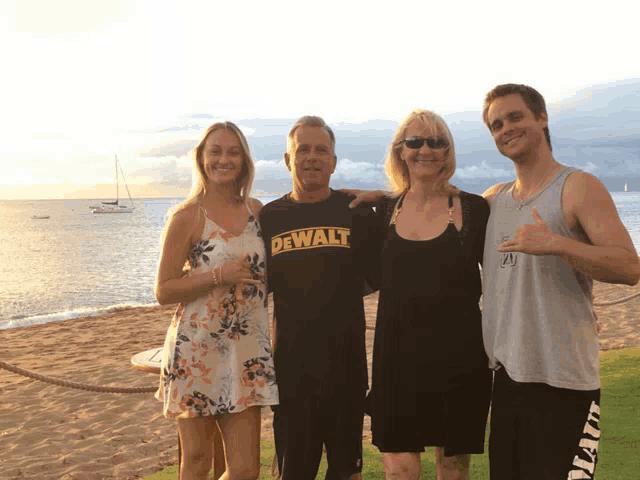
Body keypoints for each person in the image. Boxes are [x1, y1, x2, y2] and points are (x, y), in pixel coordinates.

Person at [481, 83, 640, 480]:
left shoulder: (577, 186)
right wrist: (377, 197)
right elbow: (432, 205)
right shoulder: (493, 200)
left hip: (565, 381)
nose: (506, 129)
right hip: (507, 380)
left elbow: (628, 267)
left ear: (542, 117)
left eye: (515, 117)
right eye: (496, 124)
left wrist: (556, 244)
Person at [363, 109, 492, 480]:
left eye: (437, 142)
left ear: (448, 152)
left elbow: (504, 278)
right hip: (396, 358)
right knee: (399, 470)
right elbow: (364, 276)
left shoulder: (474, 209)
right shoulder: (384, 209)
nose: (426, 150)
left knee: (452, 469)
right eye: (415, 141)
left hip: (460, 357)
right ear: (400, 151)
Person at [154, 121, 278, 480]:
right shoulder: (187, 216)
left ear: (244, 161)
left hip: (246, 352)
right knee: (195, 462)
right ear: (201, 159)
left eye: (233, 152)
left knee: (244, 470)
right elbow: (163, 290)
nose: (224, 159)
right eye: (216, 151)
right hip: (196, 351)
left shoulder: (257, 212)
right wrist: (218, 277)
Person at [259, 116, 379, 480]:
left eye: (321, 150)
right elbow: (259, 285)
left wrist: (385, 195)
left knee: (346, 472)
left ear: (334, 162)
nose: (312, 157)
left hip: (346, 369)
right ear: (287, 159)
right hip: (292, 373)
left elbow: (380, 274)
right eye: (303, 149)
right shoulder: (270, 217)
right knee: (295, 472)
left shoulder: (357, 212)